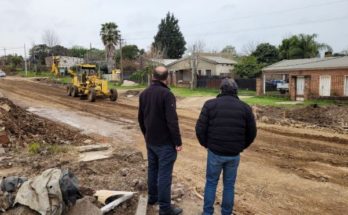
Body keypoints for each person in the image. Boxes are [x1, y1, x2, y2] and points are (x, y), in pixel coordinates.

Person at [195, 78, 257, 215]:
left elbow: (200, 129)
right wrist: (241, 146)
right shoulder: (245, 107)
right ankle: (226, 212)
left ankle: (207, 213)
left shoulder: (210, 105)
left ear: (220, 90)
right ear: (236, 91)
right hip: (233, 154)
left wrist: (207, 144)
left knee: (211, 183)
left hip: (215, 152)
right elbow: (252, 133)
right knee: (229, 186)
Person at [138, 66, 183, 215]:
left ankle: (153, 197)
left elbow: (141, 119)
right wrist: (177, 142)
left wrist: (147, 135)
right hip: (165, 143)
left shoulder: (144, 94)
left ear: (153, 76)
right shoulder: (166, 94)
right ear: (167, 78)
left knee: (153, 169)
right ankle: (165, 208)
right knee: (164, 174)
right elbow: (172, 121)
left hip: (151, 141)